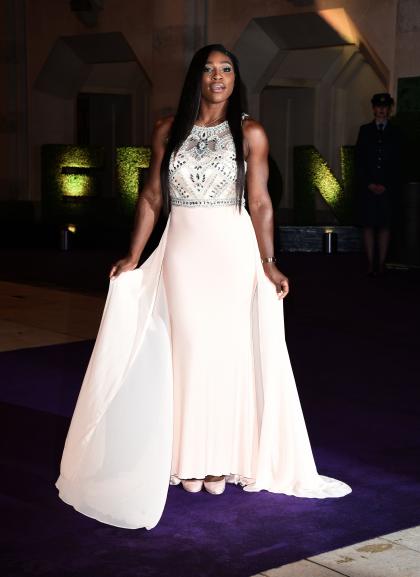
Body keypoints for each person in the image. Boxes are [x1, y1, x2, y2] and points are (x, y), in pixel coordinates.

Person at [56, 44, 351, 530]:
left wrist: (269, 263)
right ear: (197, 77)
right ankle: (184, 456)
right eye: (210, 70)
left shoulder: (250, 131)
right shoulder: (167, 130)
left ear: (236, 79)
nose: (218, 77)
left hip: (231, 251)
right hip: (182, 251)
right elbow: (152, 195)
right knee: (187, 349)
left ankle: (219, 458)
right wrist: (134, 254)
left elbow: (260, 203)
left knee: (224, 352)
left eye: (227, 69)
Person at [356, 92, 401, 275]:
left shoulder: (396, 132)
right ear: (374, 109)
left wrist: (386, 185)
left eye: (385, 107)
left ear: (389, 109)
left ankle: (381, 263)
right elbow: (360, 159)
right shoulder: (365, 130)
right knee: (368, 224)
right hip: (368, 186)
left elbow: (399, 161)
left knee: (384, 225)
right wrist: (368, 183)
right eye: (378, 106)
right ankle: (370, 262)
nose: (382, 110)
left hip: (387, 187)